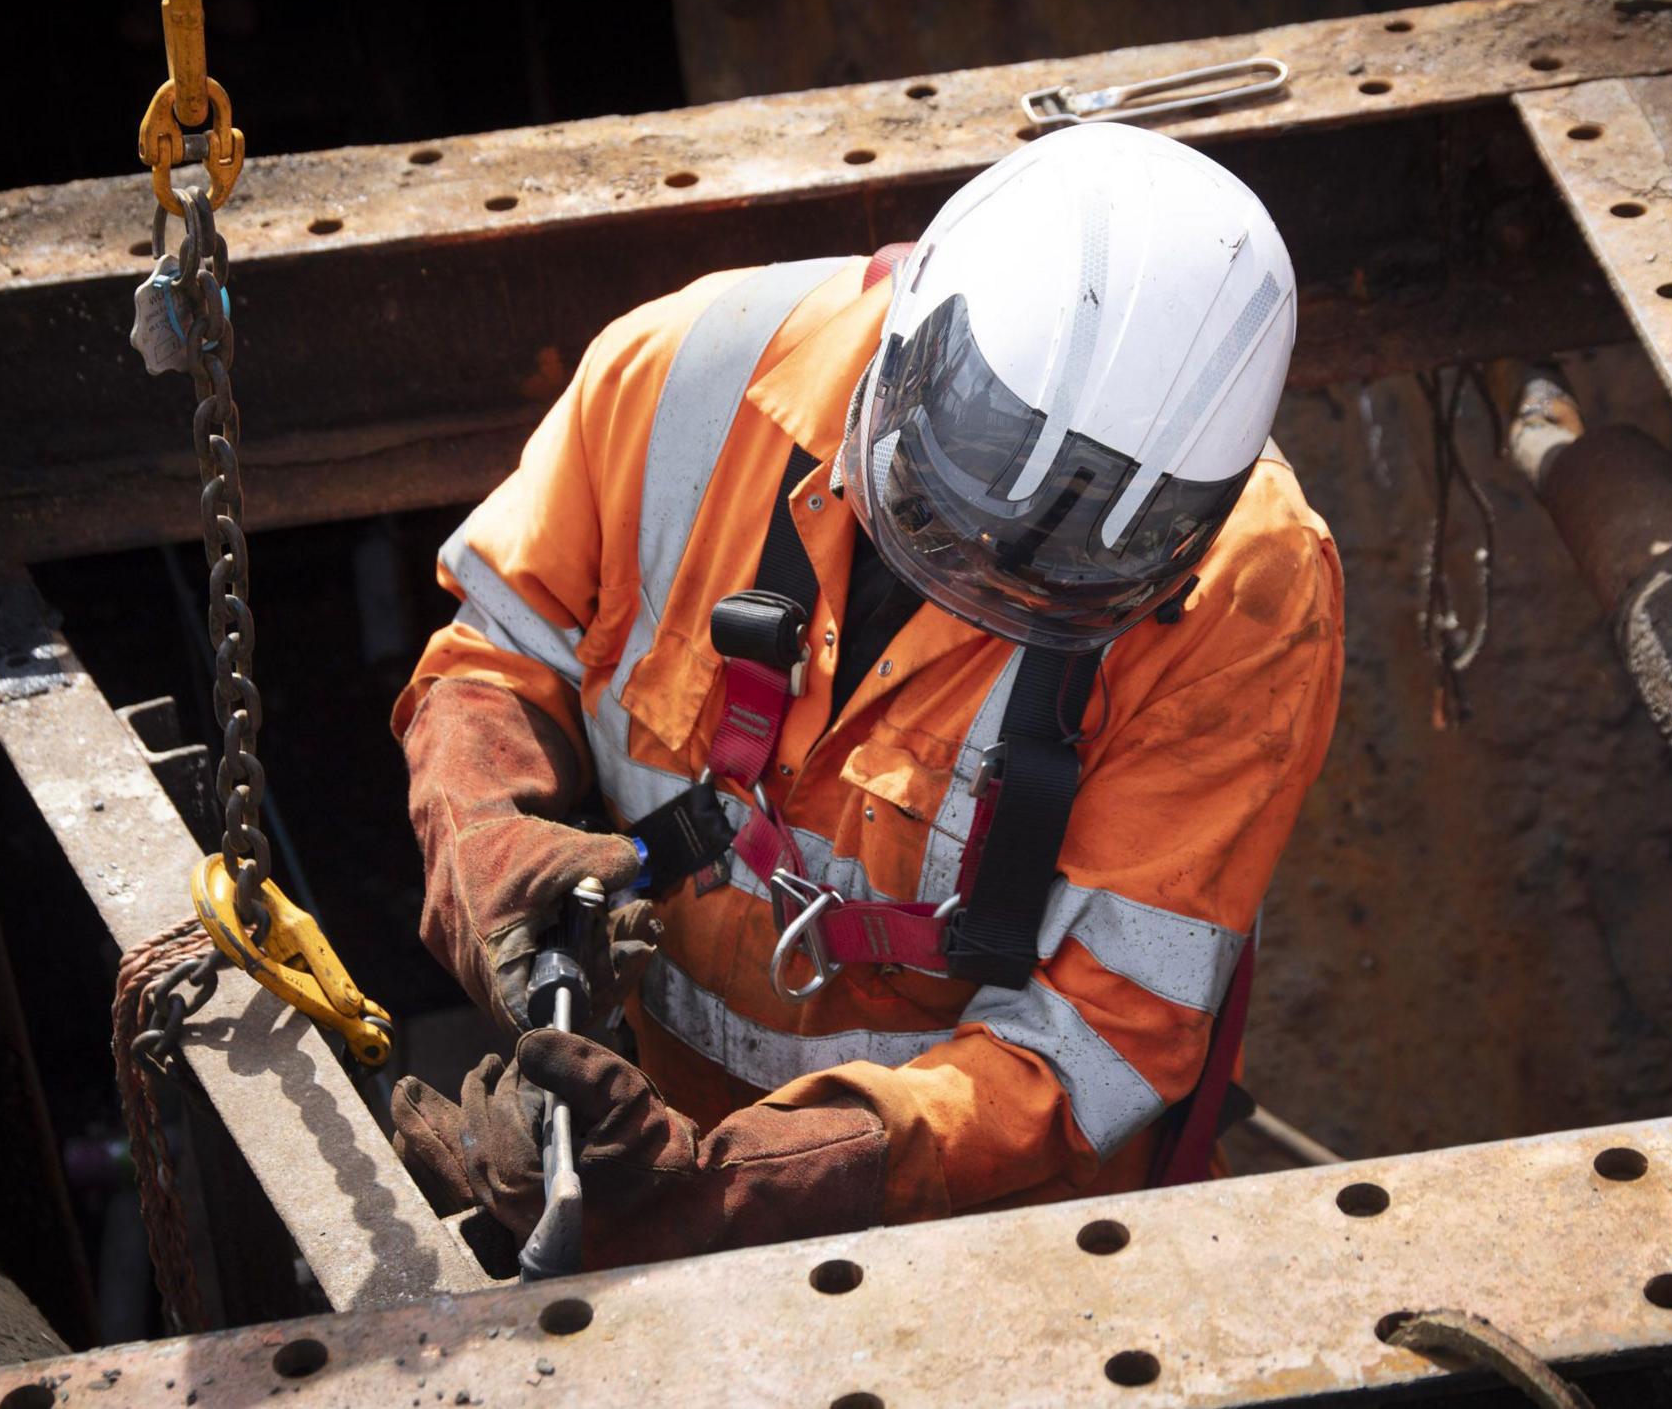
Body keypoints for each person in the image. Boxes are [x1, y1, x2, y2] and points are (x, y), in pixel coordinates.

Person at [387, 122, 1342, 1269]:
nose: (989, 572)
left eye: (1062, 563)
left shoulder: (1248, 589)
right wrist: (488, 853)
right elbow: (496, 654)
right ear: (911, 346)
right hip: (643, 1120)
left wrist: (742, 1185)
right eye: (957, 495)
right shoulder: (691, 368)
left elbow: (1104, 1035)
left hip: (994, 1235)